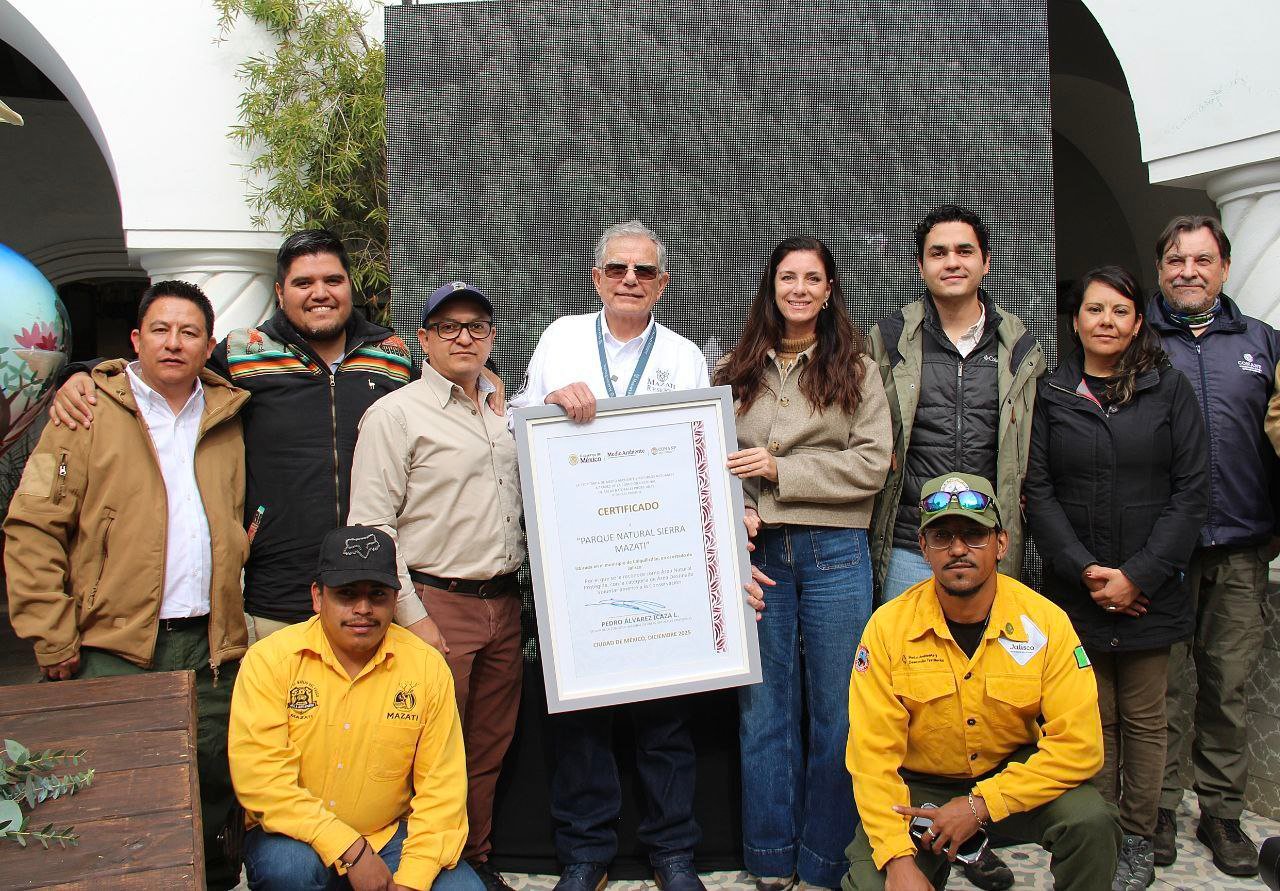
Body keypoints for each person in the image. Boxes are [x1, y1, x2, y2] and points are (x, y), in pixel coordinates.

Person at [47, 229, 466, 645]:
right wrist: (84, 370)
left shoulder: (391, 353)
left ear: (349, 287)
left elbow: (440, 394)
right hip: (276, 590)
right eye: (303, 283)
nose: (320, 293)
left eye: (332, 280)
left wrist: (487, 379)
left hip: (372, 589)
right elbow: (170, 369)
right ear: (280, 293)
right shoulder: (242, 351)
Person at [509, 219, 769, 891]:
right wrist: (549, 401)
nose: (630, 280)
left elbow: (706, 452)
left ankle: (673, 852)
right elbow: (517, 421)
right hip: (583, 559)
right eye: (618, 269)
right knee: (580, 718)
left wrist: (729, 522)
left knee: (666, 718)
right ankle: (585, 854)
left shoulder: (683, 356)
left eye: (644, 271)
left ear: (663, 283)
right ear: (596, 277)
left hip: (659, 559)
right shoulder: (561, 338)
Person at [4, 281, 249, 889]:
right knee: (109, 796)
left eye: (189, 333)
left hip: (212, 649)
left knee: (210, 794)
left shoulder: (229, 414)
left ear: (209, 346)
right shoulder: (86, 411)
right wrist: (52, 634)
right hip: (112, 647)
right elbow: (34, 526)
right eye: (160, 330)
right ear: (136, 340)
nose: (174, 343)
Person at [866, 204, 1045, 888]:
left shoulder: (1019, 344)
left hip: (989, 543)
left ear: (985, 262)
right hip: (911, 539)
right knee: (914, 699)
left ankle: (973, 833)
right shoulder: (891, 338)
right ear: (921, 265)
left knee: (988, 695)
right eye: (938, 252)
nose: (952, 262)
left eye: (964, 251)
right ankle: (909, 836)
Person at [843, 472, 1120, 891]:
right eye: (942, 537)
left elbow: (1080, 747)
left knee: (1092, 823)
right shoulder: (888, 628)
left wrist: (980, 804)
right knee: (874, 884)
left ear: (1001, 543)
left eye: (974, 535)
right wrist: (898, 859)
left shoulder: (1045, 623)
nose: (958, 549)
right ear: (923, 548)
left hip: (1013, 776)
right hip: (921, 788)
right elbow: (871, 758)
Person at [714, 236, 891, 889]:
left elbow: (872, 465)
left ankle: (823, 859)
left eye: (811, 278)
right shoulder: (734, 369)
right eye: (787, 277)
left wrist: (780, 470)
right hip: (760, 554)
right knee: (763, 709)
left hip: (834, 551)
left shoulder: (858, 370)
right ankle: (769, 857)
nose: (799, 289)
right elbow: (706, 458)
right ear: (772, 286)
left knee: (839, 713)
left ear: (829, 289)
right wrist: (737, 508)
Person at [1025, 265, 1208, 889]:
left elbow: (1191, 491)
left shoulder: (1168, 389)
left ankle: (1137, 836)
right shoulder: (1052, 393)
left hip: (1151, 590)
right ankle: (1098, 833)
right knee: (1089, 720)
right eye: (1095, 310)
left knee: (1146, 720)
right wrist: (1086, 572)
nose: (1107, 321)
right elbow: (1038, 491)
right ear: (1075, 322)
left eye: (1120, 311)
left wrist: (1139, 577)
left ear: (1137, 323)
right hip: (1077, 592)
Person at [349, 280, 524, 891]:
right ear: (423, 339)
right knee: (424, 751)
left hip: (505, 602)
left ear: (491, 336)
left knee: (488, 747)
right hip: (435, 602)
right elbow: (372, 526)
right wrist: (412, 613)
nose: (463, 337)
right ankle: (413, 869)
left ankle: (471, 862)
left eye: (476, 326)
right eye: (448, 327)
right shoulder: (395, 415)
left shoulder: (505, 414)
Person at [228, 525, 484, 891]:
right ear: (318, 597)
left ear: (395, 600)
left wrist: (412, 880)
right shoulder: (270, 661)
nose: (363, 609)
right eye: (346, 594)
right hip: (295, 837)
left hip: (386, 836)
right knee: (289, 870)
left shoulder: (426, 668)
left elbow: (442, 792)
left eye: (377, 595)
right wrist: (351, 850)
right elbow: (263, 782)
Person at [1147, 215, 1280, 877]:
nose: (1189, 271)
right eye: (1176, 260)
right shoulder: (1137, 341)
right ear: (1160, 270)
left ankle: (1222, 813)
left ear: (1224, 268)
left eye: (1202, 260)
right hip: (1162, 551)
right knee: (1163, 688)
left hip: (1241, 545)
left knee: (1227, 686)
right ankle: (1158, 808)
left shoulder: (1263, 344)